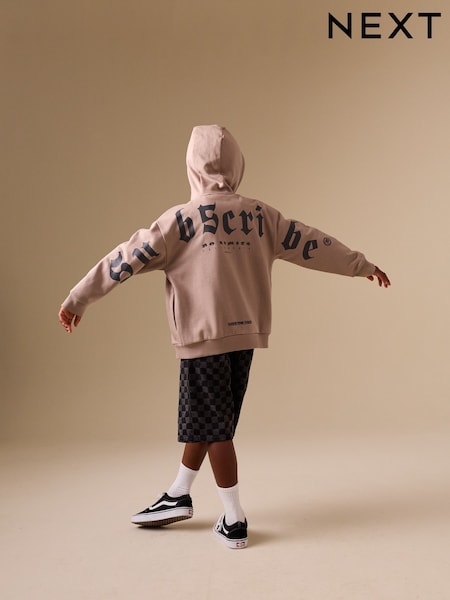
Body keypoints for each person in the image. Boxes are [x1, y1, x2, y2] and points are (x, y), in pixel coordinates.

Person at [58, 124, 390, 549]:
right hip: (246, 335)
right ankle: (178, 493)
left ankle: (234, 519)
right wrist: (361, 265)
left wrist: (78, 298)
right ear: (237, 166)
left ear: (192, 168)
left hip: (202, 336)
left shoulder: (177, 222)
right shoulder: (262, 216)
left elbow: (124, 259)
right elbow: (312, 243)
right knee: (211, 417)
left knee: (216, 427)